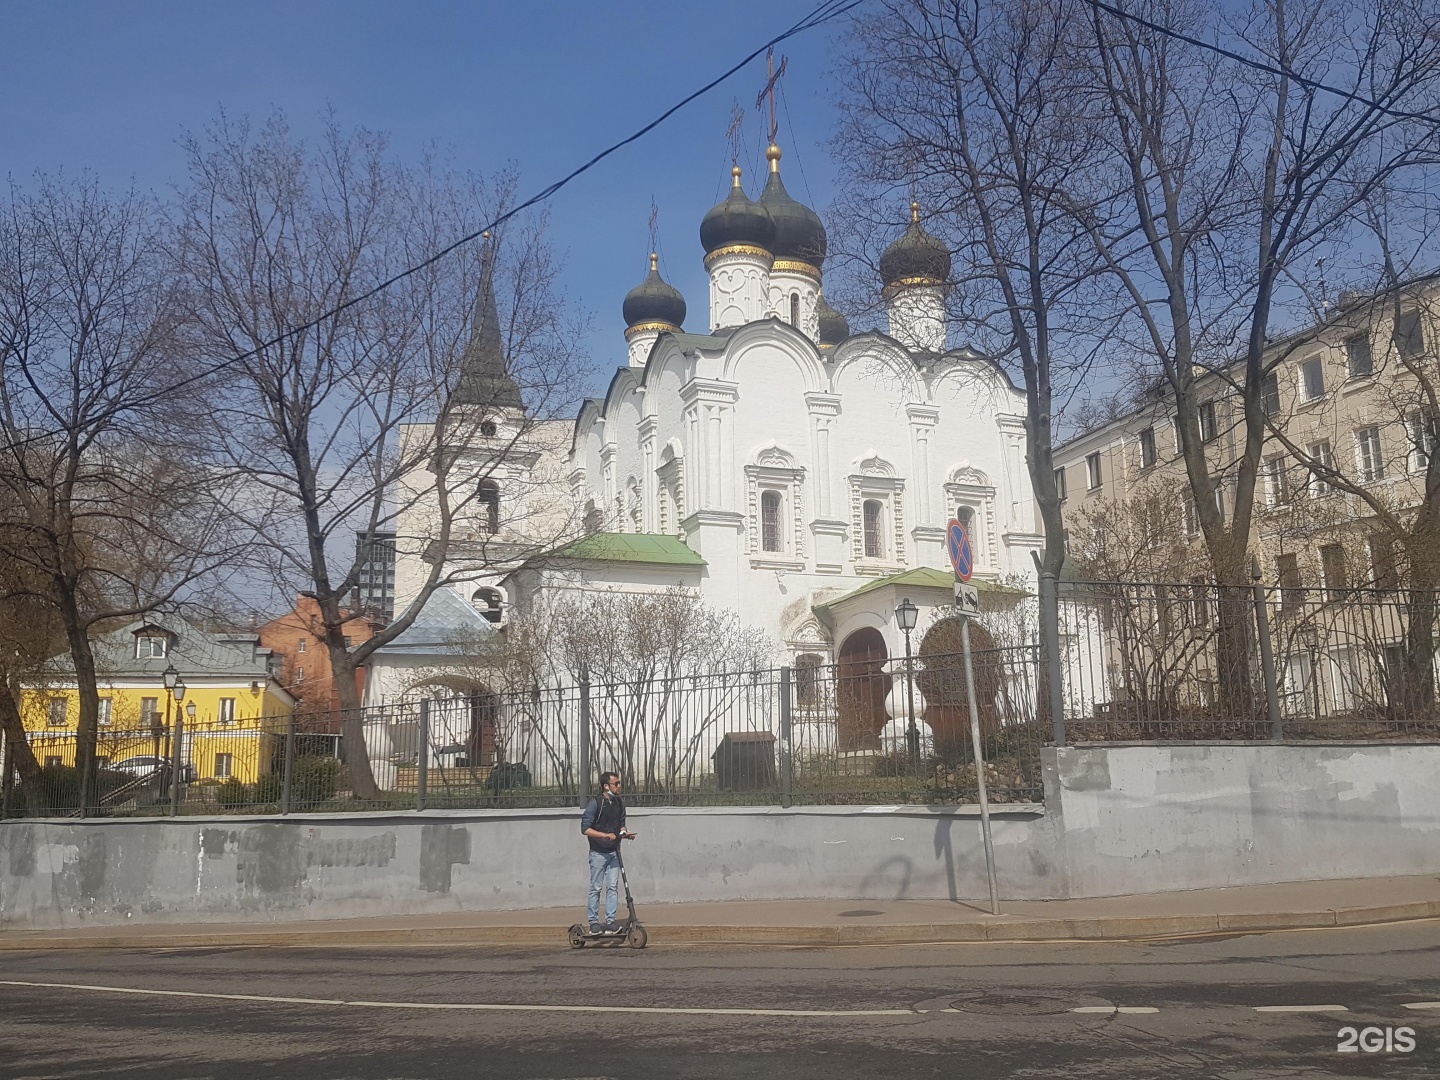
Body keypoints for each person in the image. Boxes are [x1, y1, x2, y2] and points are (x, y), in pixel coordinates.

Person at [580, 772, 635, 933]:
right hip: (598, 852)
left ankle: (611, 921)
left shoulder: (619, 802)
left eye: (619, 783)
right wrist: (605, 836)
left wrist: (625, 833)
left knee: (612, 887)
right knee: (596, 888)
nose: (619, 786)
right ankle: (594, 922)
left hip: (614, 852)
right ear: (606, 786)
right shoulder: (596, 803)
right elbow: (585, 829)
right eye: (616, 783)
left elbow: (621, 824)